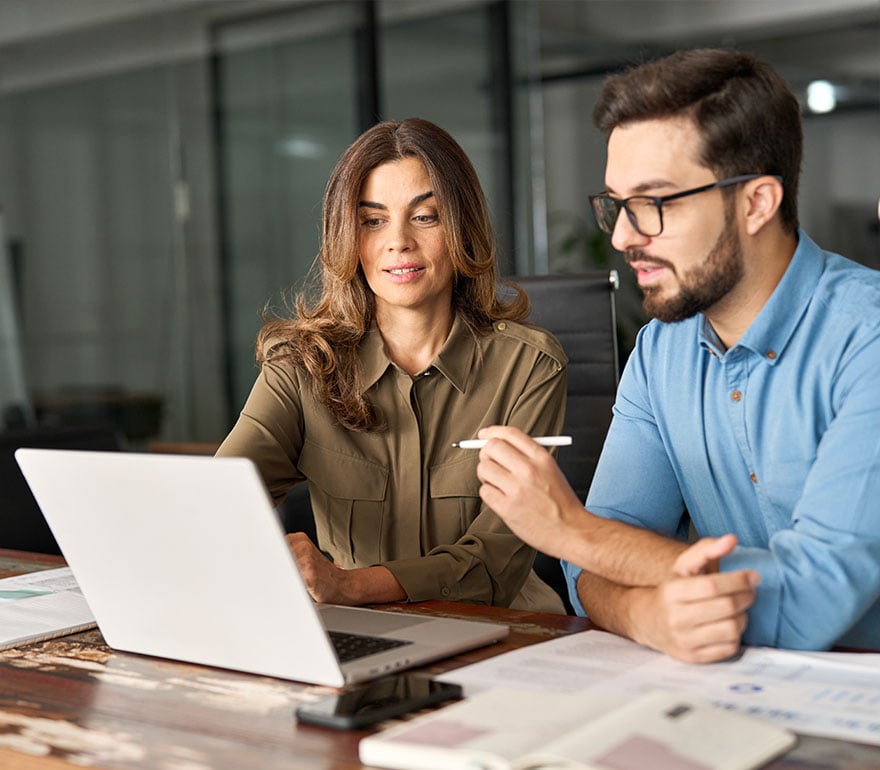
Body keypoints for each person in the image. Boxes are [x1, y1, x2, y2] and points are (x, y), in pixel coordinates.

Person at [476, 48, 880, 661]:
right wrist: (644, 614)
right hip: (732, 696)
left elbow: (810, 601)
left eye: (653, 203)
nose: (620, 236)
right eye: (616, 204)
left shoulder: (867, 338)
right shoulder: (661, 351)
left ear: (755, 203)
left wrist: (573, 531)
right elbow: (592, 576)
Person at [217, 117, 567, 613]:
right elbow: (220, 499)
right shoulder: (300, 368)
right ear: (347, 235)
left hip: (504, 632)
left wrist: (351, 586)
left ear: (461, 226)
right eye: (373, 220)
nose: (398, 241)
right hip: (359, 636)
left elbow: (496, 559)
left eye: (425, 216)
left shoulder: (529, 366)